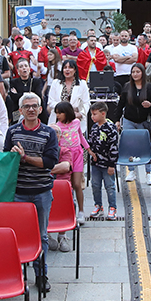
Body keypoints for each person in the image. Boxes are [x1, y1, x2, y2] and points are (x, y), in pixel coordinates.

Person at [4, 92, 59, 293]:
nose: (30, 109)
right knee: (17, 236)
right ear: (20, 110)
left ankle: (41, 275)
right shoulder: (12, 132)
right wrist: (11, 156)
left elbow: (49, 163)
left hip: (41, 191)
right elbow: (6, 159)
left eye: (34, 106)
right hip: (18, 191)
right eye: (26, 106)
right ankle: (16, 275)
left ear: (40, 109)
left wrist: (25, 158)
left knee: (42, 235)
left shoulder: (49, 133)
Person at [50, 101, 89, 242]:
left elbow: (81, 136)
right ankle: (69, 212)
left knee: (77, 184)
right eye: (57, 113)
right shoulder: (56, 127)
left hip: (77, 155)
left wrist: (88, 149)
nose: (58, 115)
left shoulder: (76, 123)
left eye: (60, 112)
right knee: (67, 186)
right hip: (64, 157)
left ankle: (81, 210)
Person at [86, 102, 118, 220]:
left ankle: (112, 207)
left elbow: (113, 147)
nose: (92, 117)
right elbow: (91, 142)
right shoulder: (94, 127)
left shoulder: (110, 128)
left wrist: (112, 164)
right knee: (95, 185)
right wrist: (90, 151)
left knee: (110, 186)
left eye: (94, 114)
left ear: (103, 113)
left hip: (107, 163)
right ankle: (98, 205)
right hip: (95, 163)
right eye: (91, 114)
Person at [120, 63, 151, 132]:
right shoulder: (127, 87)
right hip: (128, 121)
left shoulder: (150, 88)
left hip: (144, 122)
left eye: (138, 72)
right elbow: (120, 105)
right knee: (129, 141)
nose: (135, 74)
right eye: (133, 72)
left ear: (143, 73)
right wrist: (117, 120)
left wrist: (149, 105)